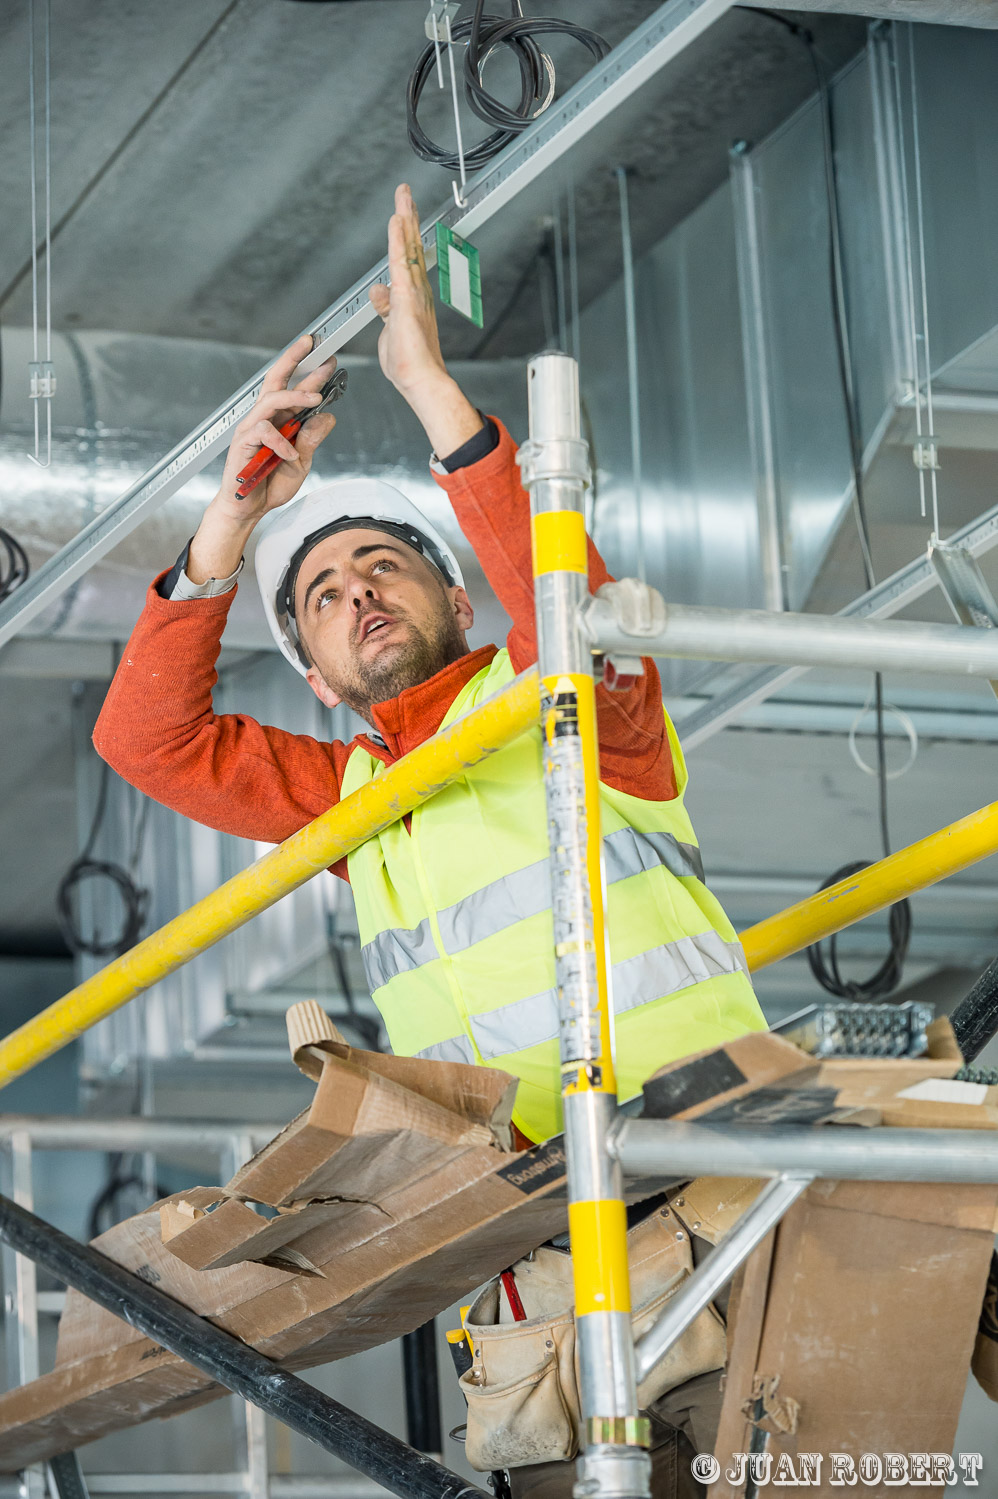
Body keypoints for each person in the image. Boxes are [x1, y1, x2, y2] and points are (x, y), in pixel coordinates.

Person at [94, 183, 767, 1496]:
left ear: (451, 594)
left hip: (701, 1152)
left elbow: (553, 586)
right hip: (523, 1207)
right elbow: (149, 743)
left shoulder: (560, 685)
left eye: (381, 568)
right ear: (320, 680)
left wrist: (427, 389)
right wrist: (230, 519)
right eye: (325, 599)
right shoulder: (350, 791)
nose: (356, 594)